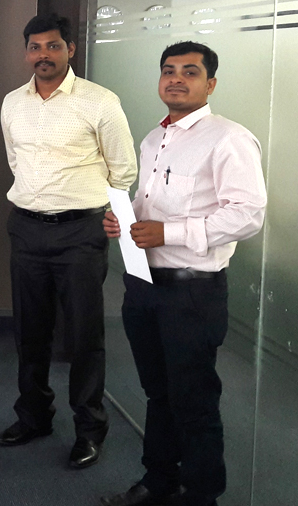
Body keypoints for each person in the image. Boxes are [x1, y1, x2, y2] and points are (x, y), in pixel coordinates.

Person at [100, 42, 266, 506]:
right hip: (144, 285)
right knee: (158, 393)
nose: (176, 79)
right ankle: (159, 481)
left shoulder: (229, 138)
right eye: (168, 70)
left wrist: (168, 232)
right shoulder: (153, 138)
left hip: (192, 294)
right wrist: (125, 219)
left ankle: (202, 495)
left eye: (189, 72)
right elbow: (150, 201)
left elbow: (248, 215)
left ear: (210, 84)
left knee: (193, 400)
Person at [0, 13, 137, 469]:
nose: (44, 55)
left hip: (80, 232)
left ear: (70, 50)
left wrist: (112, 217)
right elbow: (16, 160)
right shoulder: (12, 103)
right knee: (30, 333)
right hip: (26, 228)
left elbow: (123, 170)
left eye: (53, 46)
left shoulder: (100, 101)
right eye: (35, 47)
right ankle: (34, 416)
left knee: (83, 337)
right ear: (27, 52)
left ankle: (89, 430)